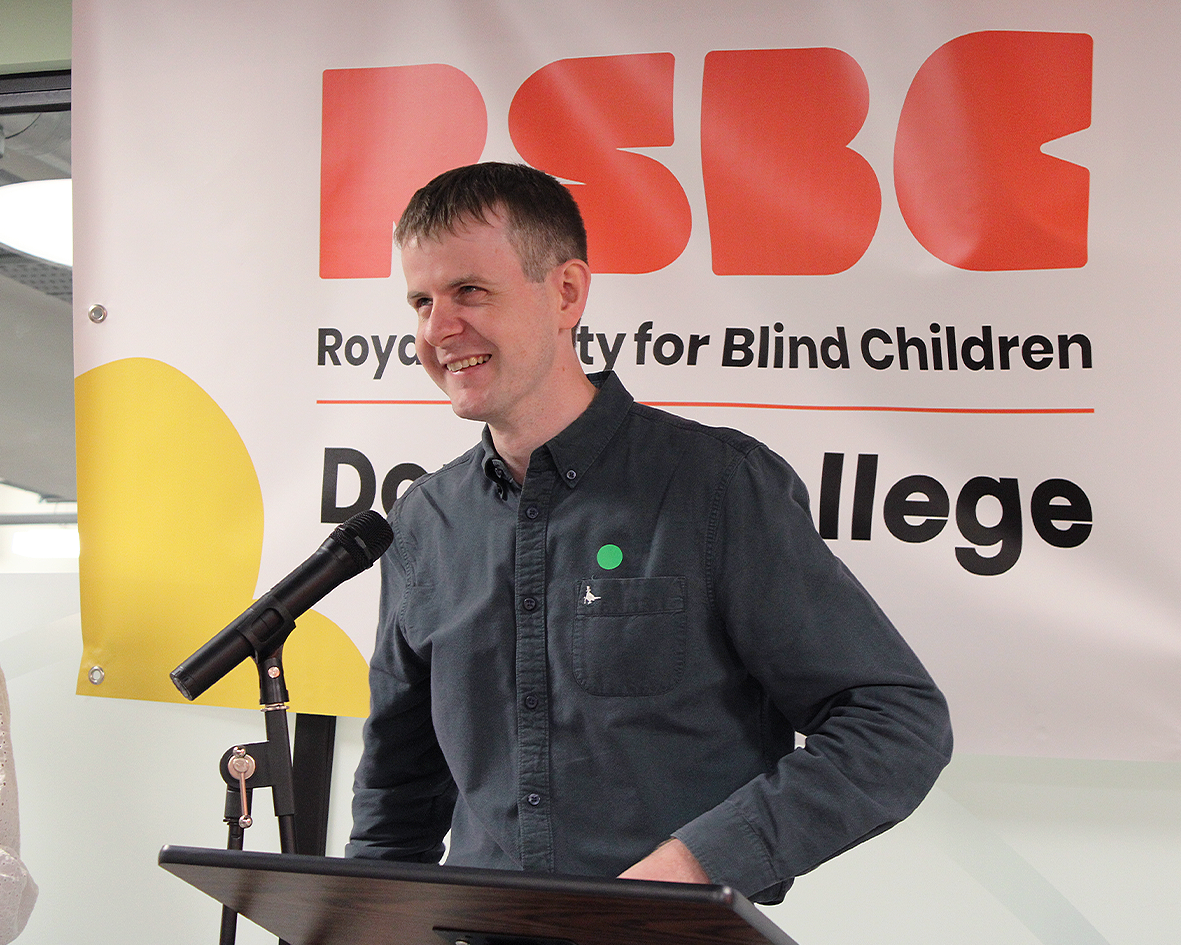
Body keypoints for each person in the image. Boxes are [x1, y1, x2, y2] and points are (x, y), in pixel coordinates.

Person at [347, 162, 952, 903]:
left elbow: (895, 721)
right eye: (420, 300)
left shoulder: (718, 486)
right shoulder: (423, 522)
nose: (438, 329)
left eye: (469, 290)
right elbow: (396, 794)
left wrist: (702, 859)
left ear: (565, 292)